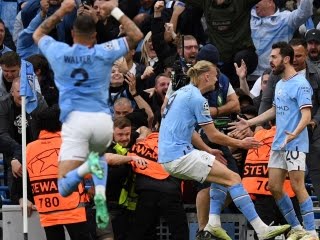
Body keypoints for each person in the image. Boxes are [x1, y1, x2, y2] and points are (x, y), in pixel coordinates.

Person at [32, 0, 143, 229]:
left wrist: (62, 11)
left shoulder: (60, 52)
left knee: (64, 185)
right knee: (98, 156)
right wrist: (114, 9)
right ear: (94, 36)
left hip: (76, 121)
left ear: (72, 33)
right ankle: (100, 192)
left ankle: (86, 169)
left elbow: (38, 33)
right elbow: (137, 34)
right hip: (103, 121)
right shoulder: (104, 51)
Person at [158, 60, 290, 240]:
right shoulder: (197, 98)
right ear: (206, 76)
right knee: (234, 178)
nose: (217, 81)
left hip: (170, 156)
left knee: (222, 178)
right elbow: (213, 135)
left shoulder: (181, 93)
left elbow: (190, 133)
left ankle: (213, 223)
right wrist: (241, 144)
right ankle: (261, 229)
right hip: (179, 156)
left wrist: (208, 150)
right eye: (215, 76)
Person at [231, 42, 318, 240]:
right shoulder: (279, 84)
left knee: (297, 186)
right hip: (279, 143)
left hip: (294, 142)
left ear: (286, 59)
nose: (270, 61)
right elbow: (274, 110)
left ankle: (311, 232)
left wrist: (294, 133)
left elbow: (307, 115)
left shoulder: (301, 84)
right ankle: (296, 227)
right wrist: (249, 122)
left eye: (274, 57)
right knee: (274, 187)